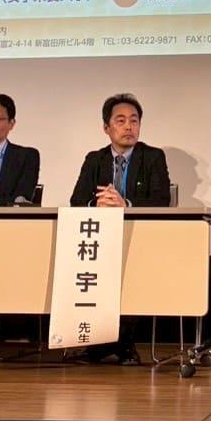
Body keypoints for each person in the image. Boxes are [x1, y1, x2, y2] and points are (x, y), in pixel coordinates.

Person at [69, 94, 172, 364]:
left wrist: (125, 204)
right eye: (121, 121)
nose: (129, 127)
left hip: (139, 236)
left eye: (134, 121)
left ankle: (117, 344)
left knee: (132, 271)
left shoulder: (152, 157)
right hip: (100, 237)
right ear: (107, 128)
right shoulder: (95, 159)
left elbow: (161, 200)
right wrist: (97, 204)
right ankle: (107, 343)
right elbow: (76, 201)